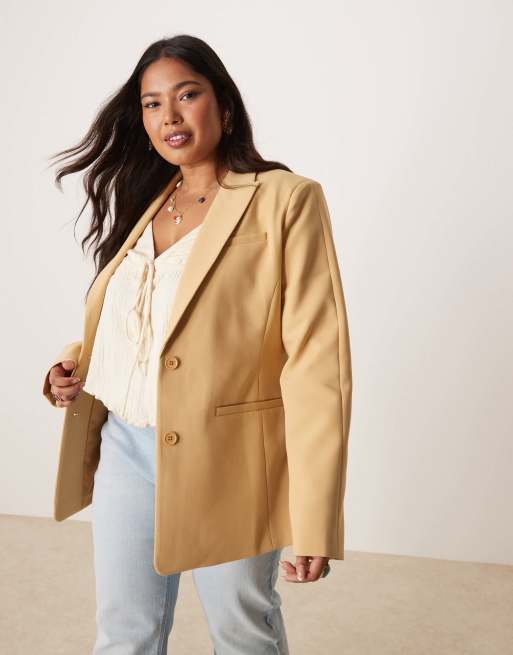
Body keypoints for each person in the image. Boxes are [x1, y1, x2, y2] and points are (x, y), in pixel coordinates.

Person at [43, 34, 352, 654]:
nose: (170, 116)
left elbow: (318, 363)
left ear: (224, 106)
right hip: (125, 447)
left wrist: (316, 517)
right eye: (153, 104)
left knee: (241, 629)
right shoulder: (148, 199)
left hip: (231, 456)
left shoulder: (285, 199)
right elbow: (145, 321)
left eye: (187, 95)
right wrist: (74, 363)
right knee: (123, 633)